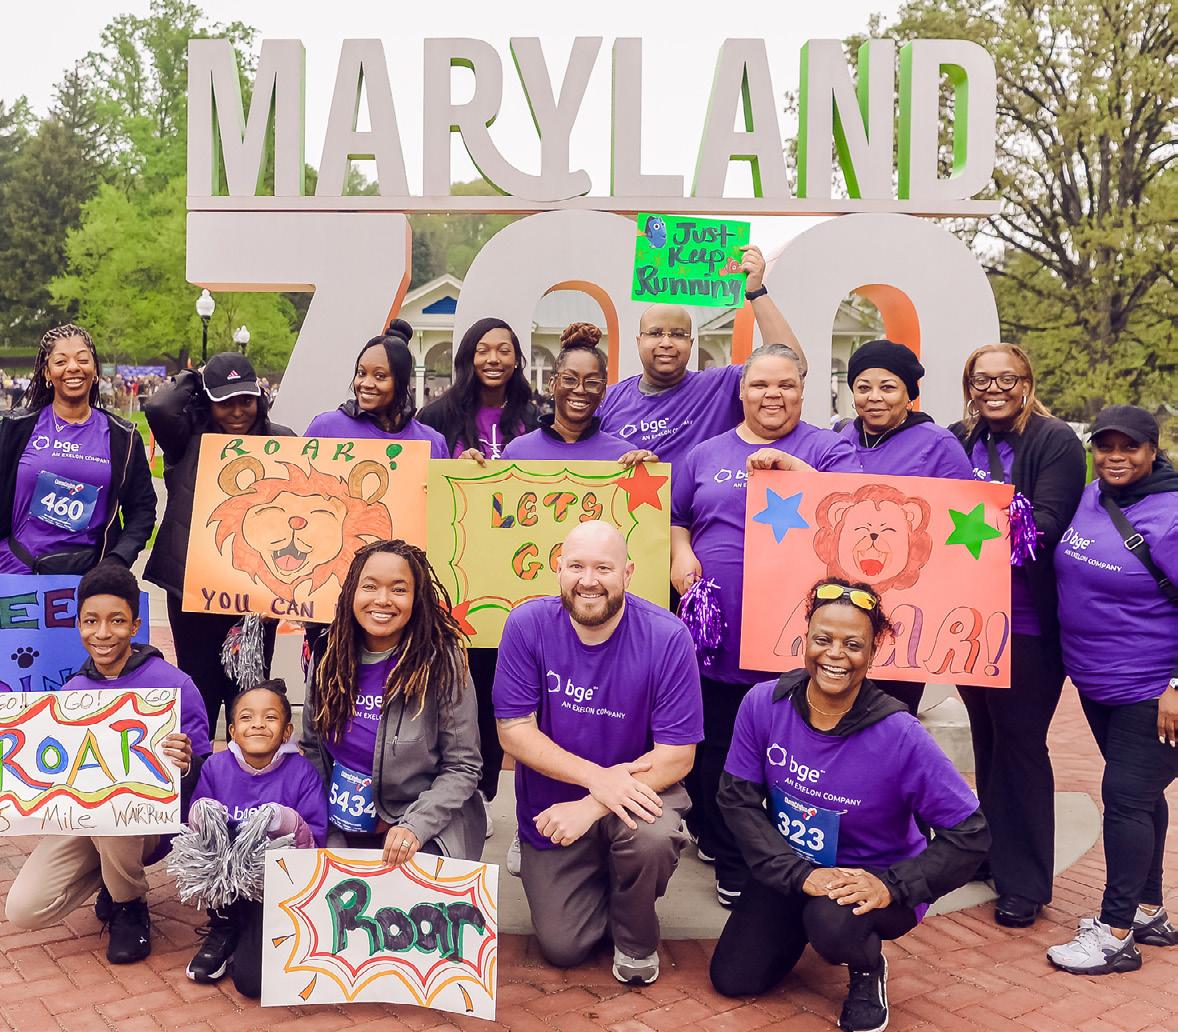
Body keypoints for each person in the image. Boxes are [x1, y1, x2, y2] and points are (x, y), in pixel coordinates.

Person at [709, 579, 988, 1032]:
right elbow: (737, 799)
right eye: (823, 639)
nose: (835, 655)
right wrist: (796, 874)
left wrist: (894, 885)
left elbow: (970, 834)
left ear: (873, 651)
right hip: (794, 866)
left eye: (853, 644)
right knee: (734, 979)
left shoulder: (900, 734)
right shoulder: (763, 703)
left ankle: (866, 966)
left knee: (833, 924)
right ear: (805, 639)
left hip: (870, 879)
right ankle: (801, 922)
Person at [671, 343, 861, 908]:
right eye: (759, 385)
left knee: (790, 751)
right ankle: (728, 855)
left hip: (796, 638)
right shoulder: (705, 453)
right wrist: (681, 553)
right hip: (717, 633)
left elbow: (855, 509)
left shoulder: (828, 448)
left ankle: (785, 861)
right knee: (718, 745)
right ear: (741, 392)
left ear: (802, 391)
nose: (772, 395)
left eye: (785, 385)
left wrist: (794, 471)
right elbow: (678, 518)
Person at [494, 521, 703, 985]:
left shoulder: (668, 637)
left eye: (603, 569)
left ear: (628, 573)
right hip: (553, 802)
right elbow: (513, 732)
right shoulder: (527, 625)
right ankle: (590, 869)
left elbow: (678, 756)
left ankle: (635, 935)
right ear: (558, 568)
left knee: (651, 840)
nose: (588, 581)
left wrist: (594, 802)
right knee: (563, 946)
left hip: (639, 793)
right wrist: (597, 778)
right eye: (576, 566)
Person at [3, 562, 212, 963]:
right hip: (87, 822)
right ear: (78, 625)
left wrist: (186, 765)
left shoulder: (174, 685)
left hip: (149, 824)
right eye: (91, 621)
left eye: (116, 621)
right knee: (24, 909)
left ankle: (129, 906)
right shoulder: (71, 692)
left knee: (114, 813)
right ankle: (113, 880)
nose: (102, 633)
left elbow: (206, 771)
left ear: (135, 626)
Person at [951, 342, 1085, 927]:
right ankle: (992, 851)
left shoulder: (1054, 441)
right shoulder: (958, 439)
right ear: (969, 387)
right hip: (966, 620)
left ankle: (1026, 882)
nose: (995, 389)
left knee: (1022, 743)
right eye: (982, 380)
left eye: (1007, 378)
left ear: (1027, 382)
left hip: (1027, 622)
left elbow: (1047, 523)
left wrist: (971, 525)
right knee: (987, 738)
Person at [1046, 406, 1178, 974]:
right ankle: (1147, 910)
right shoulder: (1091, 497)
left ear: (1153, 451)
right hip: (1098, 682)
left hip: (1153, 690)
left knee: (1124, 801)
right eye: (1105, 446)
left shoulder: (1172, 514)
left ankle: (1115, 934)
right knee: (1143, 798)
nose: (1115, 457)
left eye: (1130, 447)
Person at [300, 539, 485, 862]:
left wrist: (415, 827)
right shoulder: (328, 653)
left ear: (417, 598)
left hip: (422, 822)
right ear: (352, 592)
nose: (382, 600)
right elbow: (313, 748)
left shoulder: (442, 661)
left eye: (399, 590)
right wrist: (324, 827)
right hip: (340, 821)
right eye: (370, 586)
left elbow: (462, 766)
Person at [144, 353, 294, 735]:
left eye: (245, 399)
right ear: (207, 402)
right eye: (225, 401)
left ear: (259, 397)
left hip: (254, 598)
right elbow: (159, 407)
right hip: (193, 591)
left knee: (249, 695)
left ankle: (246, 766)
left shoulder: (282, 441)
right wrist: (195, 378)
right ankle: (198, 766)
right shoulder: (186, 440)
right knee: (199, 689)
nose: (238, 411)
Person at [837, 338, 973, 715]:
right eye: (863, 387)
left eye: (887, 387)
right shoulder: (841, 438)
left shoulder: (939, 444)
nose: (874, 397)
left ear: (909, 394)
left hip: (906, 610)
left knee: (890, 713)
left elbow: (962, 524)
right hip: (844, 605)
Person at [174, 680, 327, 996]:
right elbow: (197, 840)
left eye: (270, 717)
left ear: (287, 731)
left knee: (251, 982)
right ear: (232, 730)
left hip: (275, 890)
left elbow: (315, 842)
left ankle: (267, 930)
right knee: (218, 840)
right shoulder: (215, 767)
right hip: (227, 889)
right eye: (246, 717)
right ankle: (224, 928)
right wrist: (202, 816)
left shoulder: (302, 772)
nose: (257, 724)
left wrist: (286, 821)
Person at [598, 245, 806, 466]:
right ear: (639, 341)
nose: (666, 343)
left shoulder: (721, 386)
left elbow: (794, 365)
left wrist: (756, 291)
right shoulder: (608, 400)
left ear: (691, 343)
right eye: (655, 333)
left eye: (678, 334)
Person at [0, 325, 156, 574]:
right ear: (47, 373)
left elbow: (142, 509)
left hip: (89, 581)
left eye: (83, 360)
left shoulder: (122, 437)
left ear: (95, 371)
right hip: (16, 574)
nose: (73, 367)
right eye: (61, 361)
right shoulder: (16, 428)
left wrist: (116, 561)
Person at [304, 320, 448, 458]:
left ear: (401, 381)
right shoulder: (325, 428)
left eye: (380, 376)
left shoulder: (433, 443)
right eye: (361, 373)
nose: (366, 383)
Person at [500, 323, 642, 461]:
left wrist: (647, 468)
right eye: (569, 379)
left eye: (592, 382)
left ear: (603, 391)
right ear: (552, 384)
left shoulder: (623, 457)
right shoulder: (517, 453)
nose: (580, 389)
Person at [418, 317, 539, 460]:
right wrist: (454, 468)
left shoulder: (531, 417)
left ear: (516, 360)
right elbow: (418, 469)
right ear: (469, 359)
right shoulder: (435, 416)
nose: (493, 359)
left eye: (504, 351)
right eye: (482, 351)